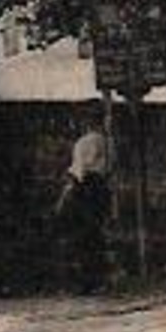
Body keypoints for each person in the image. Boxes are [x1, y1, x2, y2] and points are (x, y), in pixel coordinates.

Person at [57, 104, 111, 293]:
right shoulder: (107, 141)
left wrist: (65, 195)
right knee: (96, 234)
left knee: (82, 236)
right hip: (101, 187)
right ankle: (99, 279)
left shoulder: (83, 142)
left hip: (86, 188)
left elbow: (78, 172)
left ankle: (86, 281)